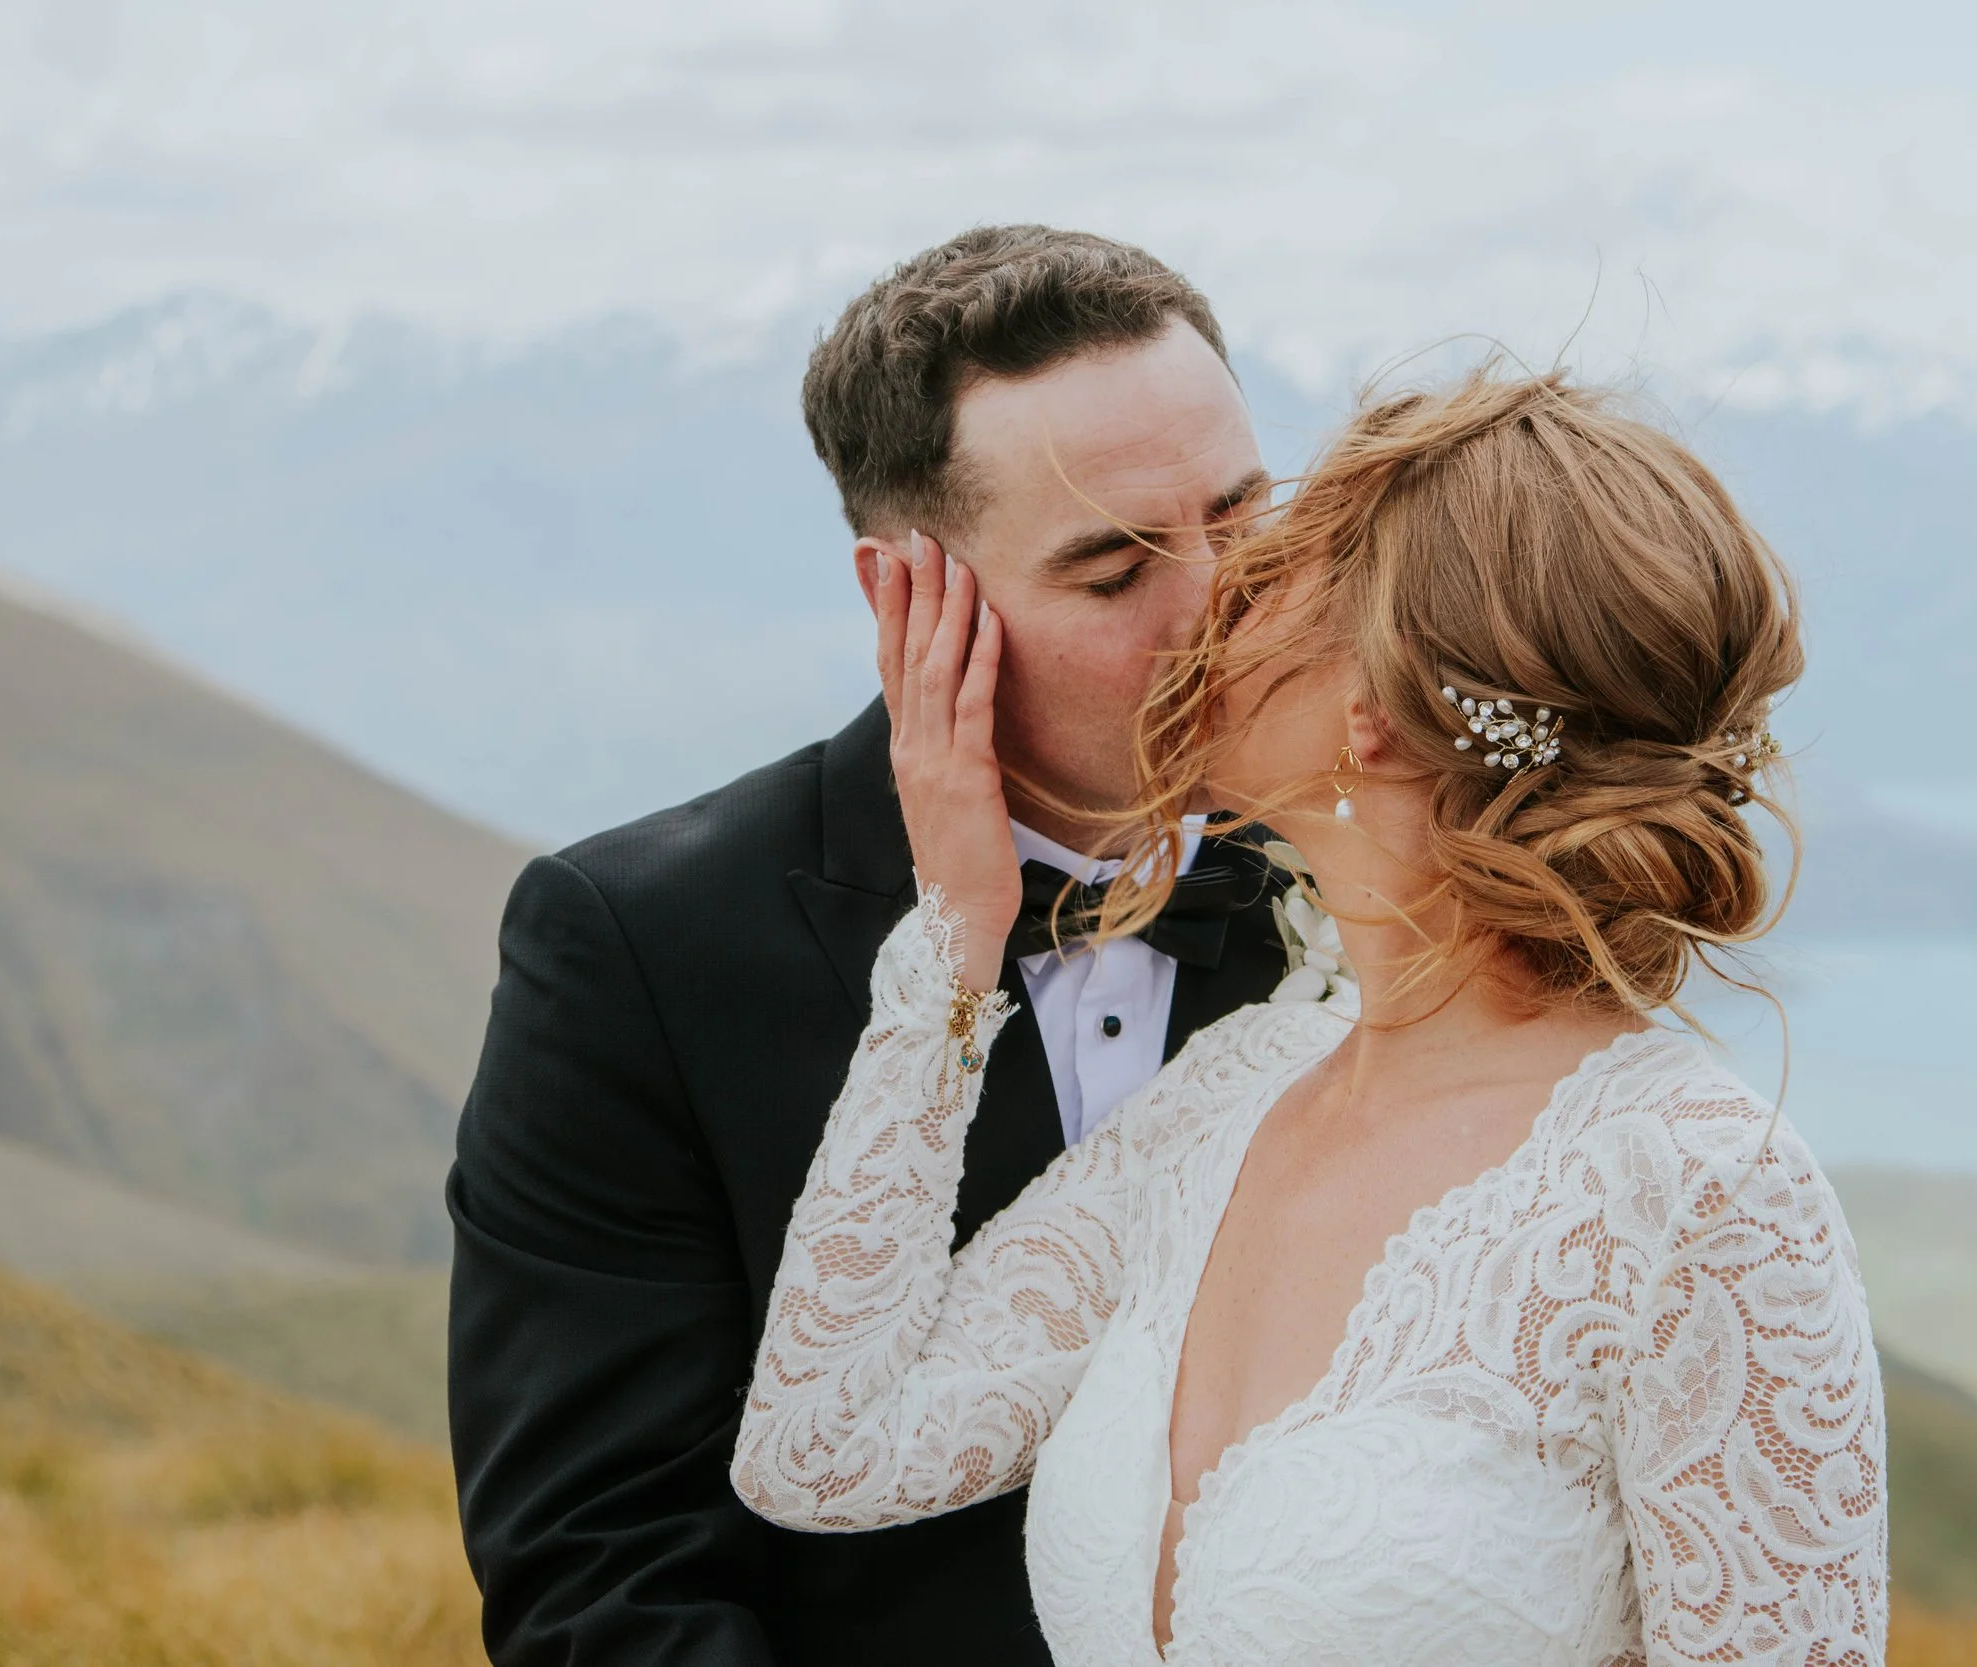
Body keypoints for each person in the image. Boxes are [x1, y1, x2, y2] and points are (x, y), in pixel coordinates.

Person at [730, 368, 1889, 1665]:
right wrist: (955, 937)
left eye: (1270, 561)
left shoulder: (1696, 1190)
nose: (1209, 597)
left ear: (1376, 714)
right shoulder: (1230, 1093)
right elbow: (821, 1449)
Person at [446, 226, 1294, 1666]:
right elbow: (600, 1579)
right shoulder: (637, 950)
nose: (1222, 604)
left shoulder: (1393, 894)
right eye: (1113, 570)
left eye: (1242, 512)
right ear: (909, 597)